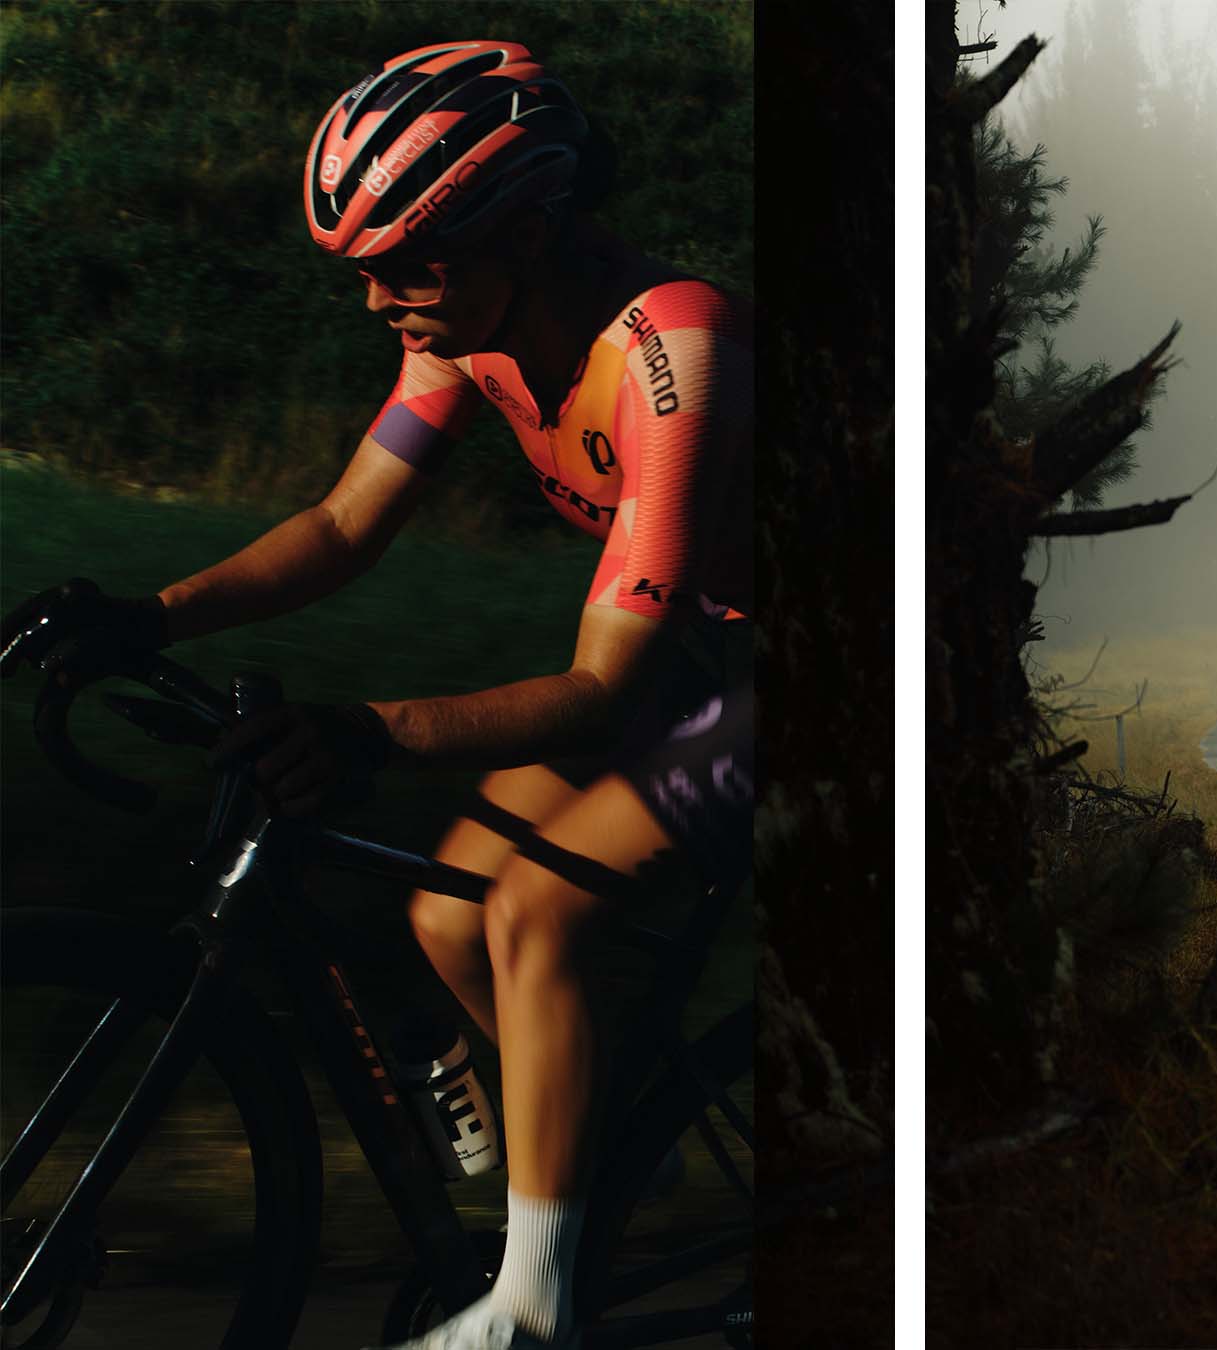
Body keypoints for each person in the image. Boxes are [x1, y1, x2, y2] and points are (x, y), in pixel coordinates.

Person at [2, 40, 752, 1350]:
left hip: (798, 675)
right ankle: (597, 1150)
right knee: (446, 914)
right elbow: (347, 521)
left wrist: (369, 732)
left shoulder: (669, 356)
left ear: (524, 227)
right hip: (684, 662)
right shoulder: (467, 325)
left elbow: (599, 689)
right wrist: (149, 613)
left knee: (529, 906)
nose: (374, 301)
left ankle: (535, 1306)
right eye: (359, 269)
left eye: (404, 265)